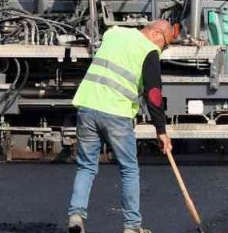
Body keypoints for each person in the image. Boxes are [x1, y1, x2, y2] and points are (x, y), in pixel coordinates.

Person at [67, 20, 174, 233]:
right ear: (156, 34)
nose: (162, 50)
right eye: (165, 44)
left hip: (87, 106)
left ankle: (76, 217)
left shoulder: (115, 33)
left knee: (86, 167)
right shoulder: (149, 51)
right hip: (116, 113)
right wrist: (161, 131)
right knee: (129, 169)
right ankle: (132, 226)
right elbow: (153, 95)